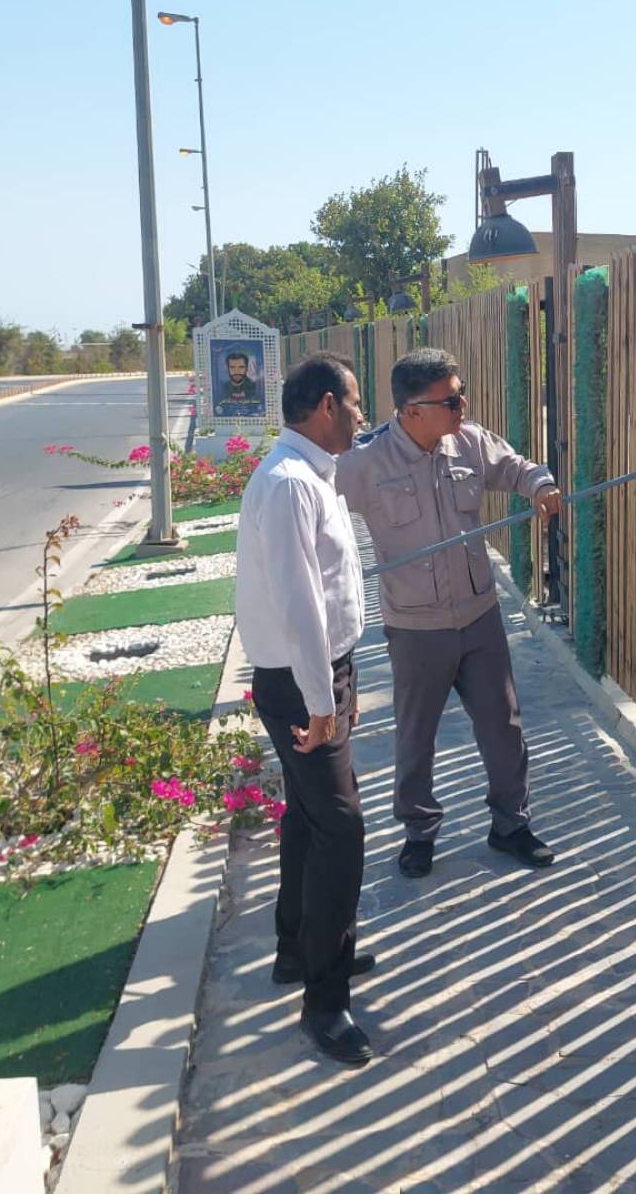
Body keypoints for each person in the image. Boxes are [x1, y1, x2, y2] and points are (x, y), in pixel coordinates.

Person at [336, 347, 562, 879]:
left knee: (503, 727)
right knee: (416, 736)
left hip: (479, 617)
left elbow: (516, 467)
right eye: (452, 401)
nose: (464, 408)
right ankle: (419, 833)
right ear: (413, 411)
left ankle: (511, 825)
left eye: (462, 397)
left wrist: (541, 485)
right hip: (416, 627)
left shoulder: (469, 442)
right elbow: (314, 505)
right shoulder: (364, 462)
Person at [235, 351, 374, 1066]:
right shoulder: (291, 483)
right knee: (341, 831)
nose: (361, 415)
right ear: (325, 406)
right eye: (354, 402)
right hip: (300, 684)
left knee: (310, 817)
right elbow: (300, 608)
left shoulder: (313, 473)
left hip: (317, 677)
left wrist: (340, 686)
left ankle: (296, 947)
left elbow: (326, 596)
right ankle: (325, 999)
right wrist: (323, 705)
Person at [215, 350, 264, 416]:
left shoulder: (254, 387)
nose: (237, 371)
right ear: (227, 368)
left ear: (246, 368)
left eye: (241, 367)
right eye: (232, 367)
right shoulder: (223, 388)